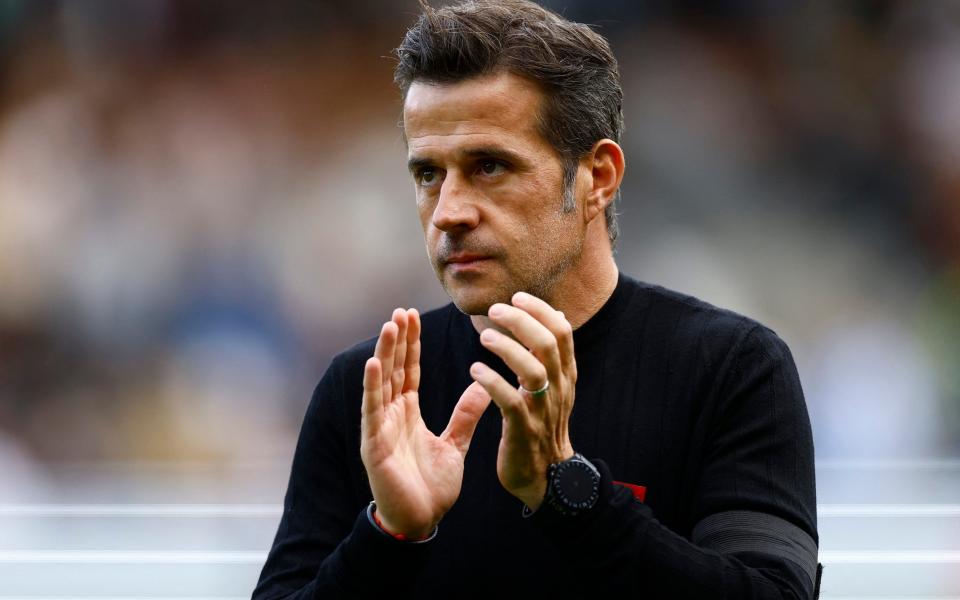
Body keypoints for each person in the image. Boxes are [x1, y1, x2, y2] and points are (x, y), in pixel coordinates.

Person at [253, 0, 821, 597]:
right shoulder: (367, 390)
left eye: (490, 166)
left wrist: (569, 492)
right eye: (428, 174)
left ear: (597, 177)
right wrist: (388, 535)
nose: (448, 212)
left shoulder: (731, 370)